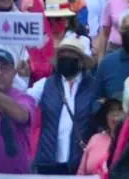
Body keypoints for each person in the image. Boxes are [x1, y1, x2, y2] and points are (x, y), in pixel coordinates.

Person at [26, 34, 100, 174]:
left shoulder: (94, 87)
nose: (66, 58)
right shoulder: (45, 85)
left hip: (80, 164)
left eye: (71, 55)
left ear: (81, 61)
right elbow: (23, 102)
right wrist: (22, 76)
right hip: (48, 164)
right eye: (63, 55)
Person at [77, 95, 125, 175]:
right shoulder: (95, 139)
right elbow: (81, 174)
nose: (115, 114)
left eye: (120, 109)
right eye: (111, 110)